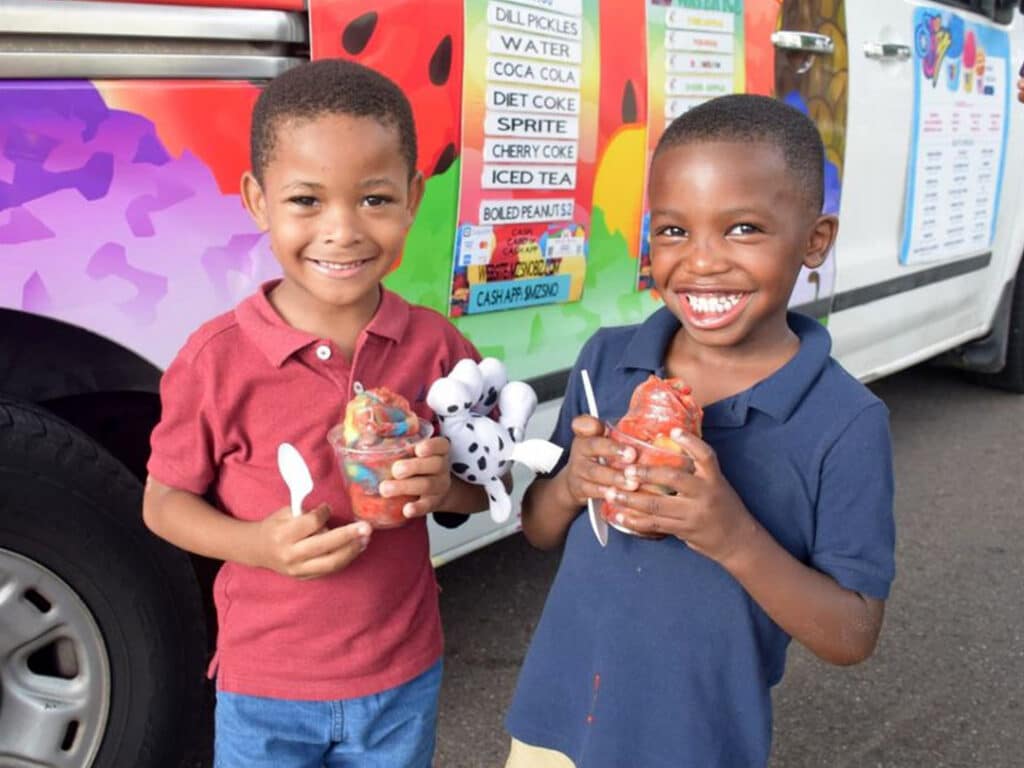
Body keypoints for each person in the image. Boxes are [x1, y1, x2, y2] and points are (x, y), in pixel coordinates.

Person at [504, 94, 896, 767]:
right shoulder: (609, 360)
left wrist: (731, 535)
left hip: (695, 744)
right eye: (674, 231)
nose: (703, 261)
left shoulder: (846, 422)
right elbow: (537, 528)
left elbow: (852, 633)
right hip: (554, 721)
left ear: (814, 240)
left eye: (743, 228)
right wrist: (573, 483)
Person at [143, 59, 489, 768]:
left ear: (413, 198)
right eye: (306, 201)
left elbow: (482, 486)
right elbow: (164, 502)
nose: (342, 231)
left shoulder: (438, 347)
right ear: (257, 200)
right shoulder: (215, 359)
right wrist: (257, 546)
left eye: (374, 200)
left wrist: (443, 489)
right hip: (265, 687)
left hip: (402, 678)